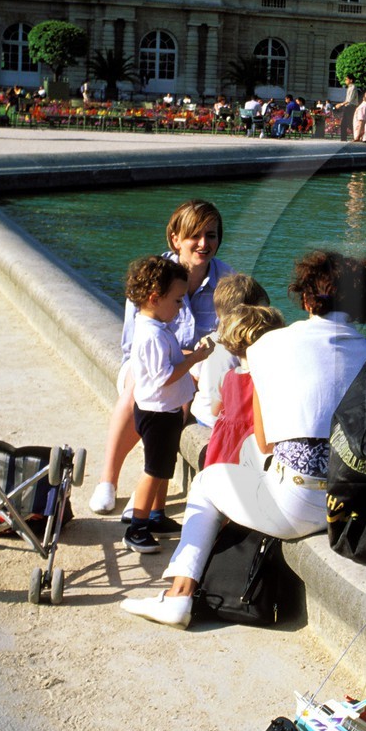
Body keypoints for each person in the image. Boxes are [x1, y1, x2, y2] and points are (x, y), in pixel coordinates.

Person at [122, 250, 366, 628]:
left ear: (307, 299)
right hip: (352, 505)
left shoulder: (269, 346)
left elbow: (264, 442)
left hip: (297, 504)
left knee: (211, 480)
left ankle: (180, 594)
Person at [89, 200, 234, 524]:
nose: (203, 244)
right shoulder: (151, 277)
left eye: (211, 235)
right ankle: (108, 479)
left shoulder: (227, 280)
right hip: (147, 360)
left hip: (198, 366)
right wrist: (183, 358)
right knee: (140, 390)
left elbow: (228, 339)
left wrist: (192, 362)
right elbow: (132, 343)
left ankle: (147, 499)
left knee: (176, 399)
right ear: (175, 239)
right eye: (194, 235)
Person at [123, 257, 215, 555]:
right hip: (157, 413)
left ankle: (156, 515)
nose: (180, 308)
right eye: (177, 301)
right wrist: (194, 360)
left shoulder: (156, 326)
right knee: (153, 470)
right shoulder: (151, 335)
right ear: (154, 298)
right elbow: (164, 376)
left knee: (163, 468)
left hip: (167, 411)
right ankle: (137, 526)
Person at [201, 303, 286, 468]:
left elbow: (214, 410)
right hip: (254, 447)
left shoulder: (226, 377)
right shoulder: (267, 380)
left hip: (226, 447)